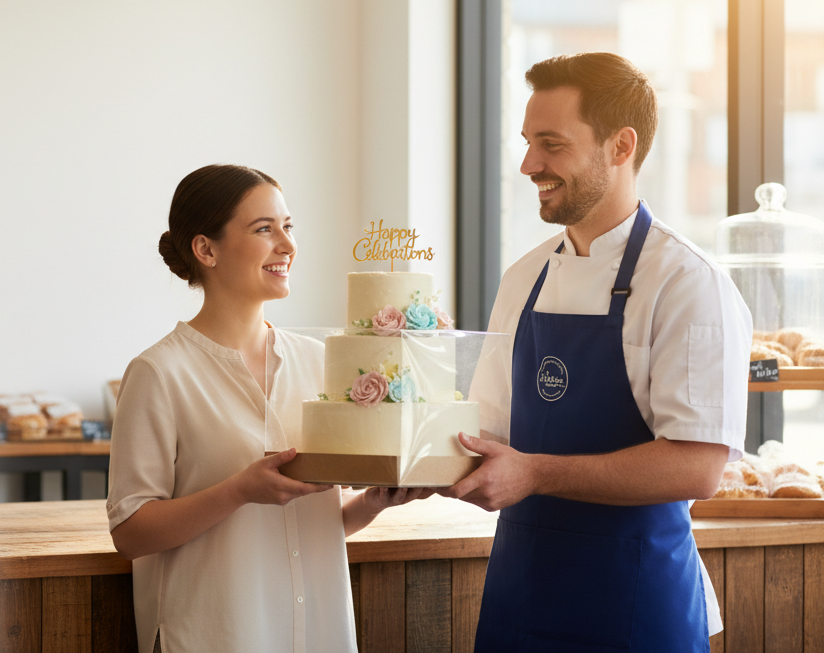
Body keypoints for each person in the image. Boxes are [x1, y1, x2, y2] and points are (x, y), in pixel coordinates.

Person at [454, 53, 751, 652]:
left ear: (620, 147)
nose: (528, 164)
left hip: (636, 608)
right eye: (527, 142)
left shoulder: (686, 281)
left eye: (551, 144)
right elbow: (485, 431)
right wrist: (402, 453)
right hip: (521, 598)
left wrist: (533, 473)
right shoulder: (523, 278)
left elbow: (697, 467)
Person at [106, 164, 424, 653]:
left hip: (318, 630)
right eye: (264, 229)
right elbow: (130, 533)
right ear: (205, 249)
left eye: (288, 227)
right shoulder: (158, 373)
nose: (288, 245)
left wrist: (373, 502)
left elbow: (308, 522)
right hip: (218, 634)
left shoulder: (323, 363)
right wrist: (239, 490)